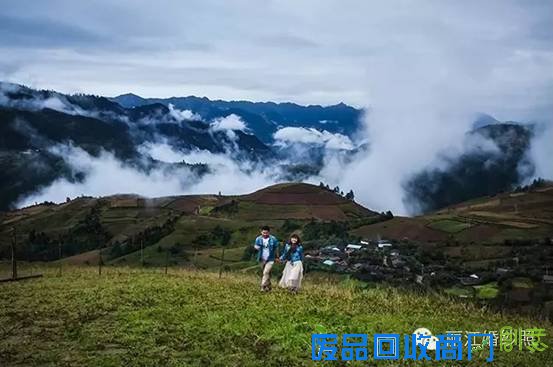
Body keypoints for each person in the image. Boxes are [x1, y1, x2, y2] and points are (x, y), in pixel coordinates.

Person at [253, 225, 280, 292]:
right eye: (263, 233)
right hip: (261, 258)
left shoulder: (273, 239)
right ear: (261, 232)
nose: (265, 234)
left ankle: (263, 287)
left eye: (266, 233)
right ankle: (269, 286)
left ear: (269, 232)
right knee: (267, 273)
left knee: (266, 272)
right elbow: (256, 248)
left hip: (270, 258)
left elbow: (276, 248)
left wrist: (277, 257)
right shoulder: (258, 239)